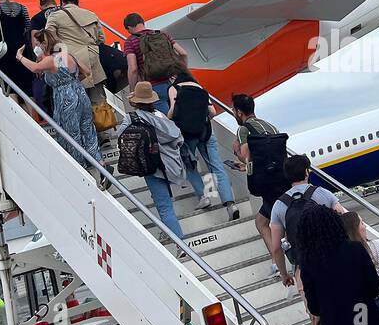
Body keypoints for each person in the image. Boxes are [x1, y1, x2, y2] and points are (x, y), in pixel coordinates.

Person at [268, 155, 345, 325]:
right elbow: (345, 216)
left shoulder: (279, 205)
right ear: (307, 172)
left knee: (317, 316)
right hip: (334, 260)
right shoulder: (322, 194)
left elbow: (275, 247)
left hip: (304, 269)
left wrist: (285, 275)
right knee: (343, 304)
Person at [17, 31, 100, 175]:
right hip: (80, 93)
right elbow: (86, 71)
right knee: (88, 130)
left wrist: (20, 57)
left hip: (65, 98)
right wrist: (71, 82)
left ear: (44, 44)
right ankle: (100, 165)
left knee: (71, 135)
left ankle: (81, 171)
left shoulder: (52, 59)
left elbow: (35, 68)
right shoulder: (68, 55)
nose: (36, 47)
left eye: (37, 44)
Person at [116, 83, 192, 239]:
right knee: (166, 203)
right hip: (171, 165)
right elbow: (178, 138)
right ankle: (167, 231)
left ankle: (181, 245)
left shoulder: (132, 118)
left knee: (164, 208)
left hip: (151, 166)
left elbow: (120, 136)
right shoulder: (160, 115)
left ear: (136, 101)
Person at [167, 69, 238, 219]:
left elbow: (173, 111)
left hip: (187, 135)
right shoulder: (200, 88)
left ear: (174, 76)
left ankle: (204, 197)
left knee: (190, 165)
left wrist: (168, 120)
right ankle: (230, 204)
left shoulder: (174, 88)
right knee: (216, 166)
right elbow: (212, 112)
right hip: (206, 132)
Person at [233, 94, 283, 258]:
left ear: (239, 112)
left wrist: (237, 151)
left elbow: (246, 156)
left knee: (261, 223)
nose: (234, 113)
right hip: (283, 178)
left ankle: (277, 261)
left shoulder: (244, 129)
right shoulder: (270, 126)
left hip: (267, 184)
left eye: (234, 110)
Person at [45, 0, 109, 104]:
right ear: (76, 2)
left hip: (70, 61)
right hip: (92, 56)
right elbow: (101, 39)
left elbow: (48, 38)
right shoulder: (91, 14)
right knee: (98, 101)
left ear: (62, 3)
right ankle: (104, 120)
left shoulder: (55, 16)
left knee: (76, 100)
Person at [124, 13, 189, 112]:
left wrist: (133, 91)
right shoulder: (162, 34)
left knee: (165, 124)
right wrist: (182, 75)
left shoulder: (130, 41)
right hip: (171, 83)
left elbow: (133, 69)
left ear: (129, 27)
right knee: (179, 120)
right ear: (142, 22)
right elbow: (183, 53)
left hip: (152, 89)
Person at [23, 0, 59, 113]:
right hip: (68, 56)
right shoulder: (64, 12)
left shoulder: (37, 18)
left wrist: (38, 60)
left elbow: (35, 43)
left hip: (48, 59)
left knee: (50, 92)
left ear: (41, 6)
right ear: (54, 3)